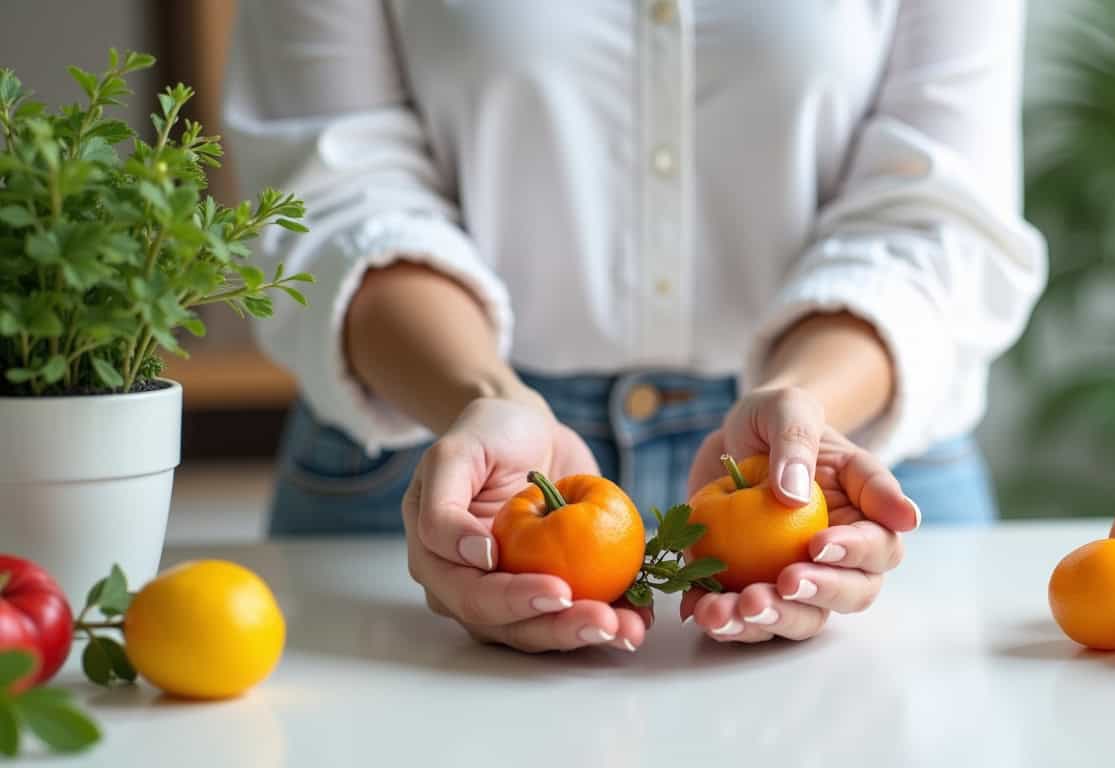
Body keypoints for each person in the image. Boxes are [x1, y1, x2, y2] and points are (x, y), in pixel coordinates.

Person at [223, 0, 1046, 653]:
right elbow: (332, 190)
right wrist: (487, 398)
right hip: (438, 455)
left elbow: (939, 211)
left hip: (844, 457)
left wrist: (806, 405)